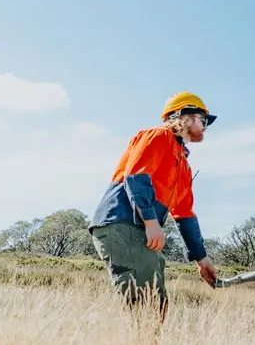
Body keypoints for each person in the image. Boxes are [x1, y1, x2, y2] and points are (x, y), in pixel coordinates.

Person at [90, 92, 219, 319]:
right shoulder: (157, 136)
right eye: (203, 119)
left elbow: (184, 214)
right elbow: (136, 176)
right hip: (122, 223)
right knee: (146, 301)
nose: (206, 126)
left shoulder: (183, 166)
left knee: (156, 301)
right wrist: (151, 221)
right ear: (184, 117)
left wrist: (202, 259)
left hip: (141, 232)